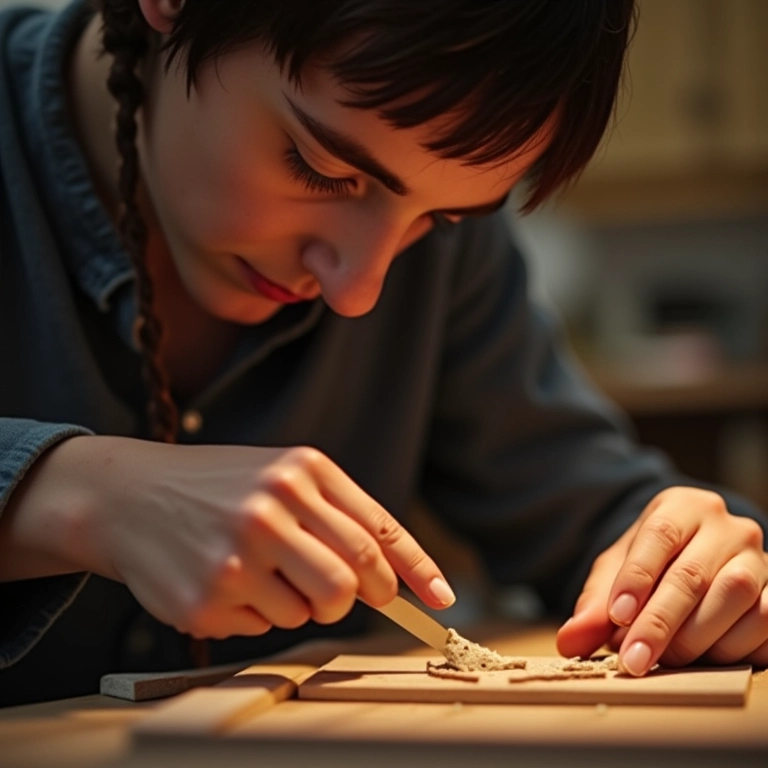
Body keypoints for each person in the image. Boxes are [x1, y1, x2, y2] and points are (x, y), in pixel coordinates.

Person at [0, 0, 766, 707]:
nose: (358, 292)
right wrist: (68, 495)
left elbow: (585, 504)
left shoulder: (443, 252)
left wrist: (696, 568)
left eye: (441, 218)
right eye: (321, 170)